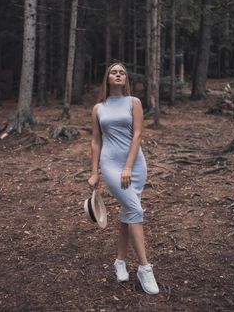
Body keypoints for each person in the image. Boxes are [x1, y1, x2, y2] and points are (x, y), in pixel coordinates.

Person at [88, 62, 159, 295]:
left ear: (125, 79)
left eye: (122, 72)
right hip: (110, 164)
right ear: (107, 78)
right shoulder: (99, 108)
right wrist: (94, 172)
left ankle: (120, 261)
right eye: (113, 72)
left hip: (136, 164)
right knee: (134, 209)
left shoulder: (134, 102)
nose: (118, 75)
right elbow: (96, 141)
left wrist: (129, 166)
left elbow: (138, 134)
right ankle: (144, 268)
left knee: (129, 212)